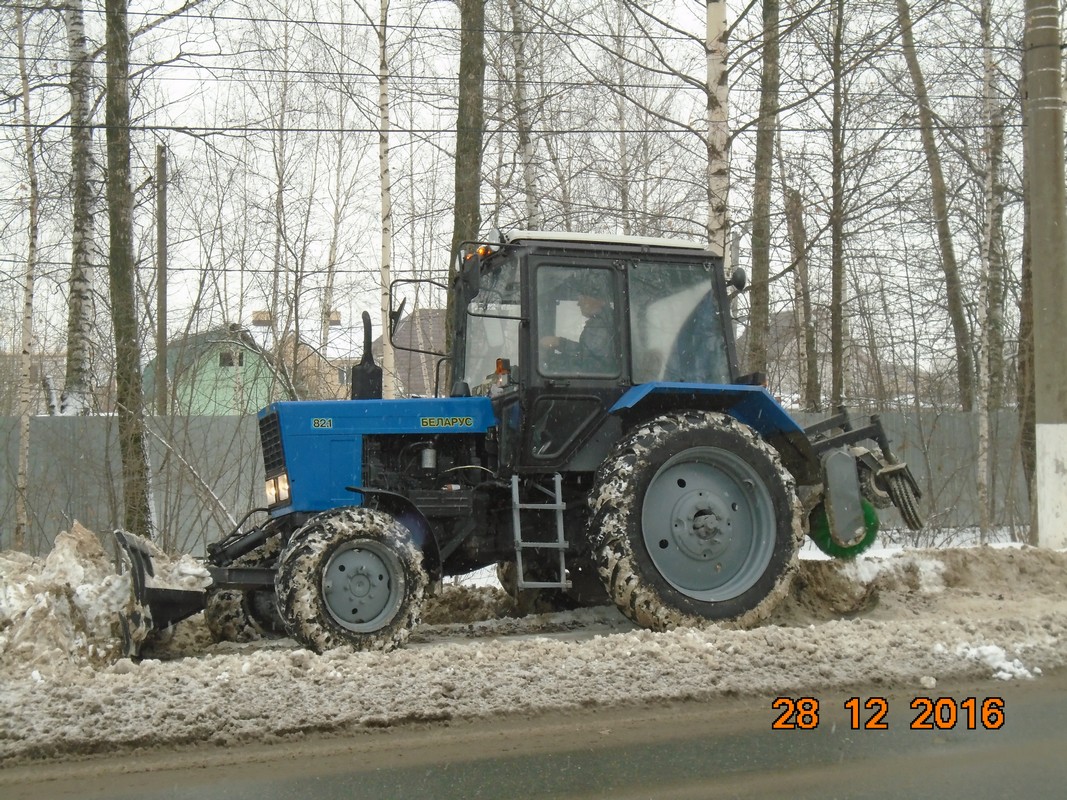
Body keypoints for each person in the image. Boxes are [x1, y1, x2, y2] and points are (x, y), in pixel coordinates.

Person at [540, 280, 616, 373]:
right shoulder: (606, 320)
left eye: (582, 297)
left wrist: (560, 344)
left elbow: (587, 359)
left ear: (597, 299)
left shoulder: (602, 324)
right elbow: (586, 353)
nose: (579, 303)